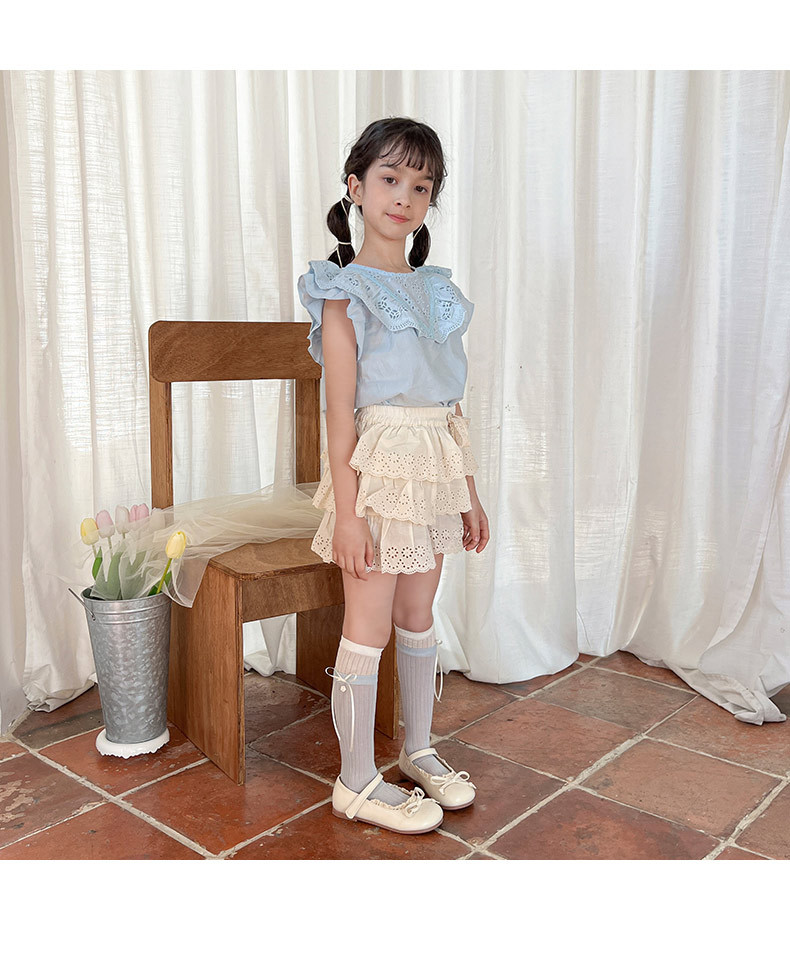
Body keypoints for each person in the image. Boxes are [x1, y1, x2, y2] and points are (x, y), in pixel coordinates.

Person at [296, 117, 490, 835]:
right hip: (378, 475)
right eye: (389, 179)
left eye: (421, 185)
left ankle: (418, 748)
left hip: (434, 472)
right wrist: (349, 516)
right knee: (368, 622)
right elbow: (339, 415)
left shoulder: (439, 293)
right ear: (355, 186)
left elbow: (451, 403)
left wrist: (468, 494)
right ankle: (353, 781)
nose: (404, 196)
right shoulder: (343, 293)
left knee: (417, 613)